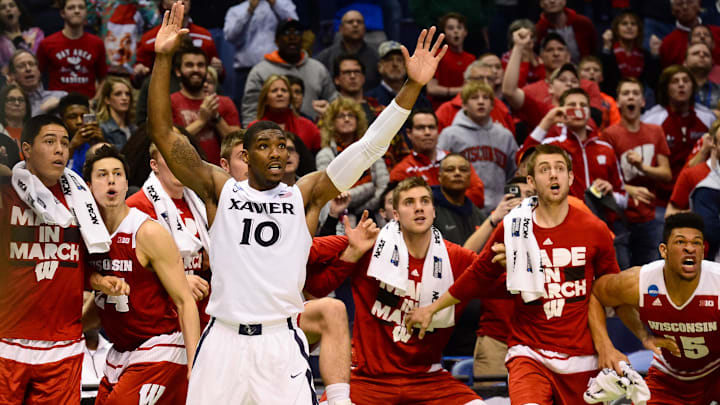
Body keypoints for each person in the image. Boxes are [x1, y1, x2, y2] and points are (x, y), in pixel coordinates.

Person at [146, 3, 447, 403]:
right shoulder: (221, 189)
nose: (276, 153)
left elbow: (371, 146)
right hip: (222, 340)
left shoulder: (304, 195)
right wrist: (163, 58)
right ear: (246, 155)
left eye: (282, 147)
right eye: (264, 146)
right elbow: (164, 133)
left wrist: (412, 88)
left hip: (280, 340)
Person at [406, 144, 625, 405]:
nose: (553, 175)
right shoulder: (513, 226)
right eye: (545, 170)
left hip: (581, 355)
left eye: (559, 169)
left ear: (571, 177)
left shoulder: (595, 229)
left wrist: (639, 337)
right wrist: (433, 307)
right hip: (529, 351)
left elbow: (611, 290)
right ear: (531, 181)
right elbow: (477, 273)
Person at [305, 177, 485, 405]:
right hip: (367, 380)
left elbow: (494, 280)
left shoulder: (455, 257)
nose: (419, 207)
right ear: (396, 214)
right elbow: (312, 277)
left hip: (427, 379)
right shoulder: (371, 244)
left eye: (425, 201)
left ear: (433, 210)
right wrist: (352, 253)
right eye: (409, 202)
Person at [0, 114, 129, 404]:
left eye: (64, 143)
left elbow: (77, 266)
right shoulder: (6, 193)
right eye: (49, 141)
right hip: (6, 342)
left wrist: (100, 281)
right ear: (27, 150)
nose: (59, 149)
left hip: (63, 347)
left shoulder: (83, 201)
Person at [218, 129, 354, 404]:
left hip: (279, 324)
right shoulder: (215, 200)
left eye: (280, 147)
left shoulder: (293, 200)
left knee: (331, 307)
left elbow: (311, 283)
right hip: (226, 325)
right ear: (227, 165)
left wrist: (351, 251)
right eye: (256, 152)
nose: (272, 156)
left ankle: (339, 400)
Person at [82, 145, 201, 404]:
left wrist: (196, 364)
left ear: (127, 184)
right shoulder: (88, 234)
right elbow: (99, 297)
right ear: (89, 186)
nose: (111, 180)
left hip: (160, 345)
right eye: (102, 175)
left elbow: (184, 301)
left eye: (117, 174)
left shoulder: (147, 232)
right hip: (121, 350)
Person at [591, 212, 720, 403]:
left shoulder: (716, 283)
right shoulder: (640, 282)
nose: (689, 249)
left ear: (703, 251)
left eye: (696, 243)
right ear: (663, 250)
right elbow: (597, 294)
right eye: (680, 242)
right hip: (669, 376)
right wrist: (606, 346)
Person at [126, 140, 212, 327]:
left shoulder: (198, 204)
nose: (178, 163)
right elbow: (126, 267)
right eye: (169, 157)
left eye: (183, 157)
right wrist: (178, 281)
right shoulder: (136, 206)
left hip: (196, 314)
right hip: (158, 319)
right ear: (154, 165)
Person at [602, 78, 672, 269]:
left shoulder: (656, 131)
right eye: (625, 93)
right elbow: (603, 178)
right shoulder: (609, 134)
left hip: (650, 214)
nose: (630, 97)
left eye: (635, 93)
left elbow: (666, 174)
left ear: (643, 101)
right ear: (618, 102)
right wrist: (629, 189)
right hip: (619, 216)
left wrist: (642, 167)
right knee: (623, 273)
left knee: (652, 274)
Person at [521, 87, 624, 205]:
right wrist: (548, 121)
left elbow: (623, 197)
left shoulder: (606, 149)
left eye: (583, 105)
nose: (578, 108)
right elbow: (522, 160)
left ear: (589, 112)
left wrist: (611, 195)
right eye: (572, 105)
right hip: (564, 218)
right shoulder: (551, 146)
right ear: (562, 110)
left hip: (600, 220)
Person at [641, 64, 716, 206]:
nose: (681, 85)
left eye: (686, 81)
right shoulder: (652, 120)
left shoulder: (708, 118)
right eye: (675, 81)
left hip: (700, 194)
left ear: (693, 86)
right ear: (666, 88)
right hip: (661, 199)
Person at [439, 81, 517, 209]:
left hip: (500, 208)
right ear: (464, 104)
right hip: (463, 208)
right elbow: (440, 173)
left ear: (492, 105)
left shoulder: (505, 135)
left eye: (486, 98)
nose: (481, 102)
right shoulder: (450, 135)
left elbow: (513, 174)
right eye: (474, 98)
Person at [242, 18, 336, 125]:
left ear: (302, 39)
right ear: (276, 41)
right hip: (271, 136)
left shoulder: (318, 68)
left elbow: (333, 101)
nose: (292, 37)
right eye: (286, 33)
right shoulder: (260, 71)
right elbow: (250, 112)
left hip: (313, 132)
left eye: (297, 32)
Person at [390, 108, 484, 208]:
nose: (427, 132)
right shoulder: (401, 171)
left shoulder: (457, 161)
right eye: (420, 128)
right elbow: (404, 205)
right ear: (409, 133)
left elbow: (478, 195)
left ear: (438, 131)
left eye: (431, 127)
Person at [316, 97, 389, 217]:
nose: (346, 119)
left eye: (351, 115)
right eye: (341, 116)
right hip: (340, 215)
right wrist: (369, 188)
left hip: (374, 212)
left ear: (358, 120)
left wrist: (361, 209)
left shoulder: (371, 149)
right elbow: (327, 194)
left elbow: (383, 187)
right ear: (331, 123)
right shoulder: (325, 154)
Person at [170, 46, 241, 165]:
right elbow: (171, 143)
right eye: (189, 65)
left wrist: (216, 118)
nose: (196, 69)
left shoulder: (224, 102)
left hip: (220, 173)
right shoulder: (170, 102)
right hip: (183, 172)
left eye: (201, 65)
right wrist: (201, 120)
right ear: (178, 71)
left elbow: (236, 145)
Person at [223, 0, 297, 105]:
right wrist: (249, 11)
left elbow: (294, 24)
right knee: (247, 108)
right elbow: (230, 36)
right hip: (246, 71)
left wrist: (274, 4)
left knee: (281, 107)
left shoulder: (283, 3)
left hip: (277, 68)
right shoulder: (237, 10)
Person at [35, 0, 107, 98]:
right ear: (62, 13)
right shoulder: (46, 43)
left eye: (81, 7)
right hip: (57, 106)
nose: (77, 11)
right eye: (71, 8)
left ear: (86, 12)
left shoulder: (97, 43)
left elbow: (103, 79)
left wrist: (95, 101)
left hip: (88, 106)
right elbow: (36, 76)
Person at [135, 0, 220, 79]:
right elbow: (137, 78)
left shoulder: (204, 36)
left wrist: (218, 69)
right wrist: (139, 72)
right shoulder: (150, 39)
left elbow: (219, 75)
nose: (182, 1)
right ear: (164, 4)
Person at [435, 59, 515, 134]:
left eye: (490, 79)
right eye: (479, 78)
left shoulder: (501, 108)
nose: (485, 83)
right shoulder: (446, 110)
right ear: (466, 82)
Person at [249, 74, 321, 153]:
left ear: (290, 98)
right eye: (274, 90)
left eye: (284, 90)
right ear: (265, 99)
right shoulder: (253, 129)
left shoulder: (308, 127)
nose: (280, 94)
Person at [85, 0, 159, 73]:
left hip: (133, 71)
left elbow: (157, 26)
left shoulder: (144, 5)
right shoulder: (103, 4)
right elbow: (87, 20)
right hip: (105, 71)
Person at [315, 10, 380, 92]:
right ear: (341, 28)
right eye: (350, 22)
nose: (355, 25)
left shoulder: (376, 57)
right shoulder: (325, 57)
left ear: (364, 28)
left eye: (359, 22)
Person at [433, 153, 486, 244]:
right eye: (450, 170)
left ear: (470, 177)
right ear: (440, 177)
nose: (457, 173)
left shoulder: (478, 215)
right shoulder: (429, 211)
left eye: (463, 170)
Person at [426, 13, 475, 108]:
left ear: (465, 32)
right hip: (439, 108)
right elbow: (431, 89)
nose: (456, 31)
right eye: (451, 28)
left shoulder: (471, 59)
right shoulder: (437, 55)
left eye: (459, 27)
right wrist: (461, 90)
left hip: (464, 107)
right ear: (444, 33)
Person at [366, 40, 432, 110]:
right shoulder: (370, 99)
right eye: (389, 59)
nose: (395, 64)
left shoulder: (419, 99)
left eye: (399, 60)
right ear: (380, 66)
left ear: (406, 66)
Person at [660, 0, 720, 68]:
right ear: (672, 10)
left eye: (690, 2)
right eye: (679, 4)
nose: (685, 7)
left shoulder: (717, 33)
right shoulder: (668, 43)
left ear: (699, 5)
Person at [8, 49, 67, 116]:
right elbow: (21, 125)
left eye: (31, 64)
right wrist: (43, 109)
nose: (28, 69)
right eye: (21, 66)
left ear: (39, 71)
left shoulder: (61, 96)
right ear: (12, 75)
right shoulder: (10, 103)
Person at [59, 93, 104, 175]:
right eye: (73, 117)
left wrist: (100, 144)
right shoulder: (56, 144)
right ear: (63, 120)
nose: (79, 121)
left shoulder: (96, 138)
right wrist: (72, 147)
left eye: (83, 116)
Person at [331, 55, 383, 125]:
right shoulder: (330, 110)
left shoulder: (378, 110)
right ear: (336, 79)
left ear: (363, 77)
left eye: (357, 72)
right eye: (346, 72)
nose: (352, 76)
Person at [0, 0, 44, 70]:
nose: (8, 9)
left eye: (12, 6)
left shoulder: (35, 33)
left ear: (19, 11)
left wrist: (18, 41)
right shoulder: (1, 40)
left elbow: (37, 60)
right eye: (2, 8)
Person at [95, 76, 136, 150]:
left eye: (127, 94)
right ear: (107, 100)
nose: (124, 98)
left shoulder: (135, 129)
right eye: (118, 94)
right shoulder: (101, 129)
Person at [501, 19, 544, 88]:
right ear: (513, 39)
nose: (528, 40)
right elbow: (517, 87)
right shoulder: (506, 58)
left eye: (531, 37)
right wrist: (525, 61)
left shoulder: (538, 58)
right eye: (523, 37)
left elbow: (544, 84)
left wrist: (535, 63)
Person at [684, 41, 720, 110]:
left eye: (706, 55)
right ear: (685, 62)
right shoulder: (674, 89)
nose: (702, 55)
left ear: (712, 63)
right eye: (695, 53)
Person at [0, 83, 30, 158]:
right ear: (2, 104)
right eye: (11, 99)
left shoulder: (35, 131)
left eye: (21, 100)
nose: (17, 103)